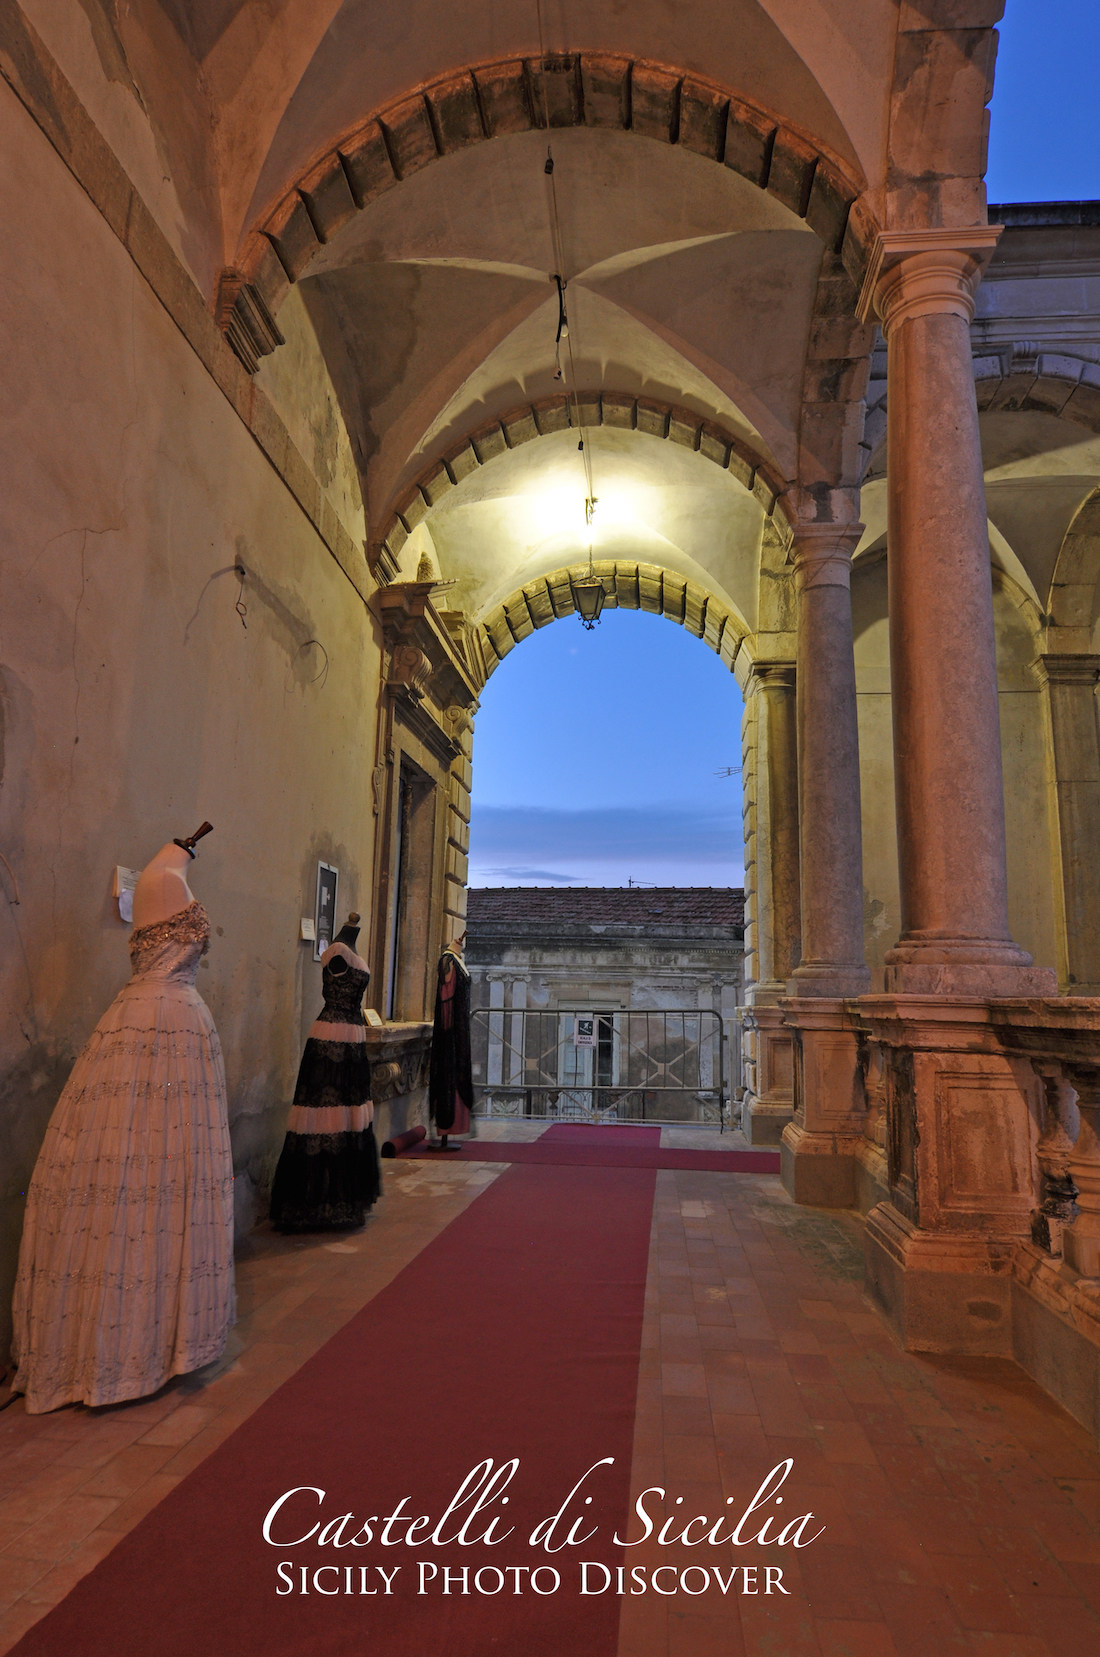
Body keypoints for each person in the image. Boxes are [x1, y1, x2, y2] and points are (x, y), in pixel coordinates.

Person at [11, 824, 235, 1413]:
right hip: (160, 1028)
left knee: (162, 1181)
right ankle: (123, 1346)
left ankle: (163, 1340)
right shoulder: (163, 878)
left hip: (162, 1029)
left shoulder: (167, 877)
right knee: (135, 1181)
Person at [269, 912, 381, 1230]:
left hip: (351, 1035)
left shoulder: (349, 950)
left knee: (346, 1114)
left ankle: (343, 1198)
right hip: (332, 1034)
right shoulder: (337, 952)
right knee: (324, 1114)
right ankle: (315, 1204)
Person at [428, 932, 474, 1149]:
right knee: (449, 1073)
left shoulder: (457, 960)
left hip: (460, 1028)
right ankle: (446, 1125)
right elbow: (446, 997)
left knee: (460, 1071)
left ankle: (455, 1126)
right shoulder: (447, 960)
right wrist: (449, 1030)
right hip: (450, 1030)